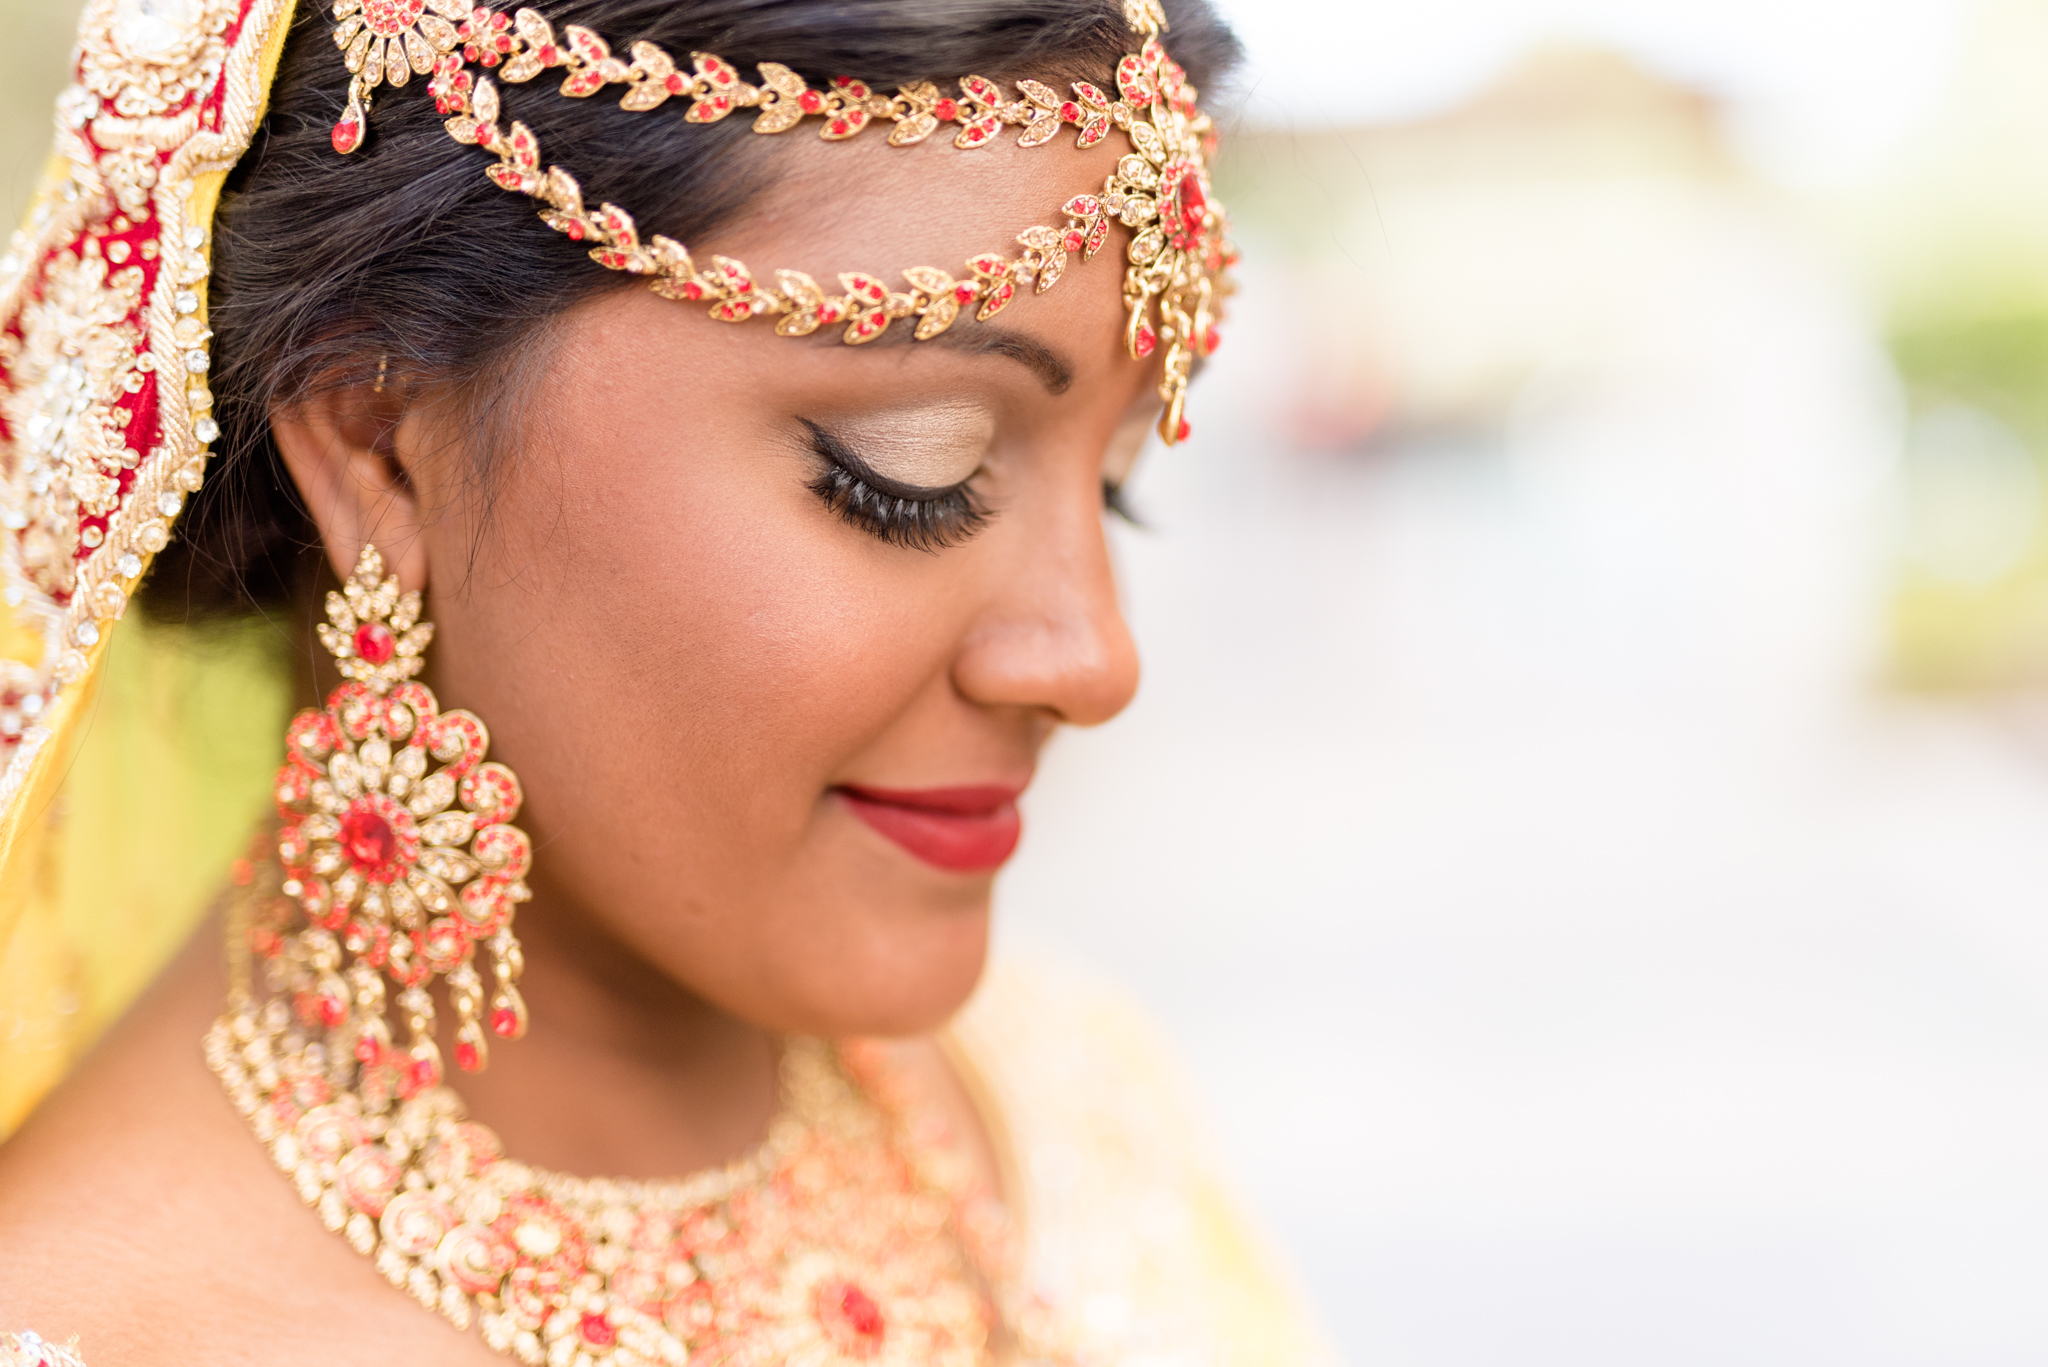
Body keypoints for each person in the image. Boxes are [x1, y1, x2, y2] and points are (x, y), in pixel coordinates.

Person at [0, 0, 1330, 1362]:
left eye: (1116, 492)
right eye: (909, 472)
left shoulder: (1069, 1099)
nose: (1095, 660)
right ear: (379, 448)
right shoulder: (107, 1321)